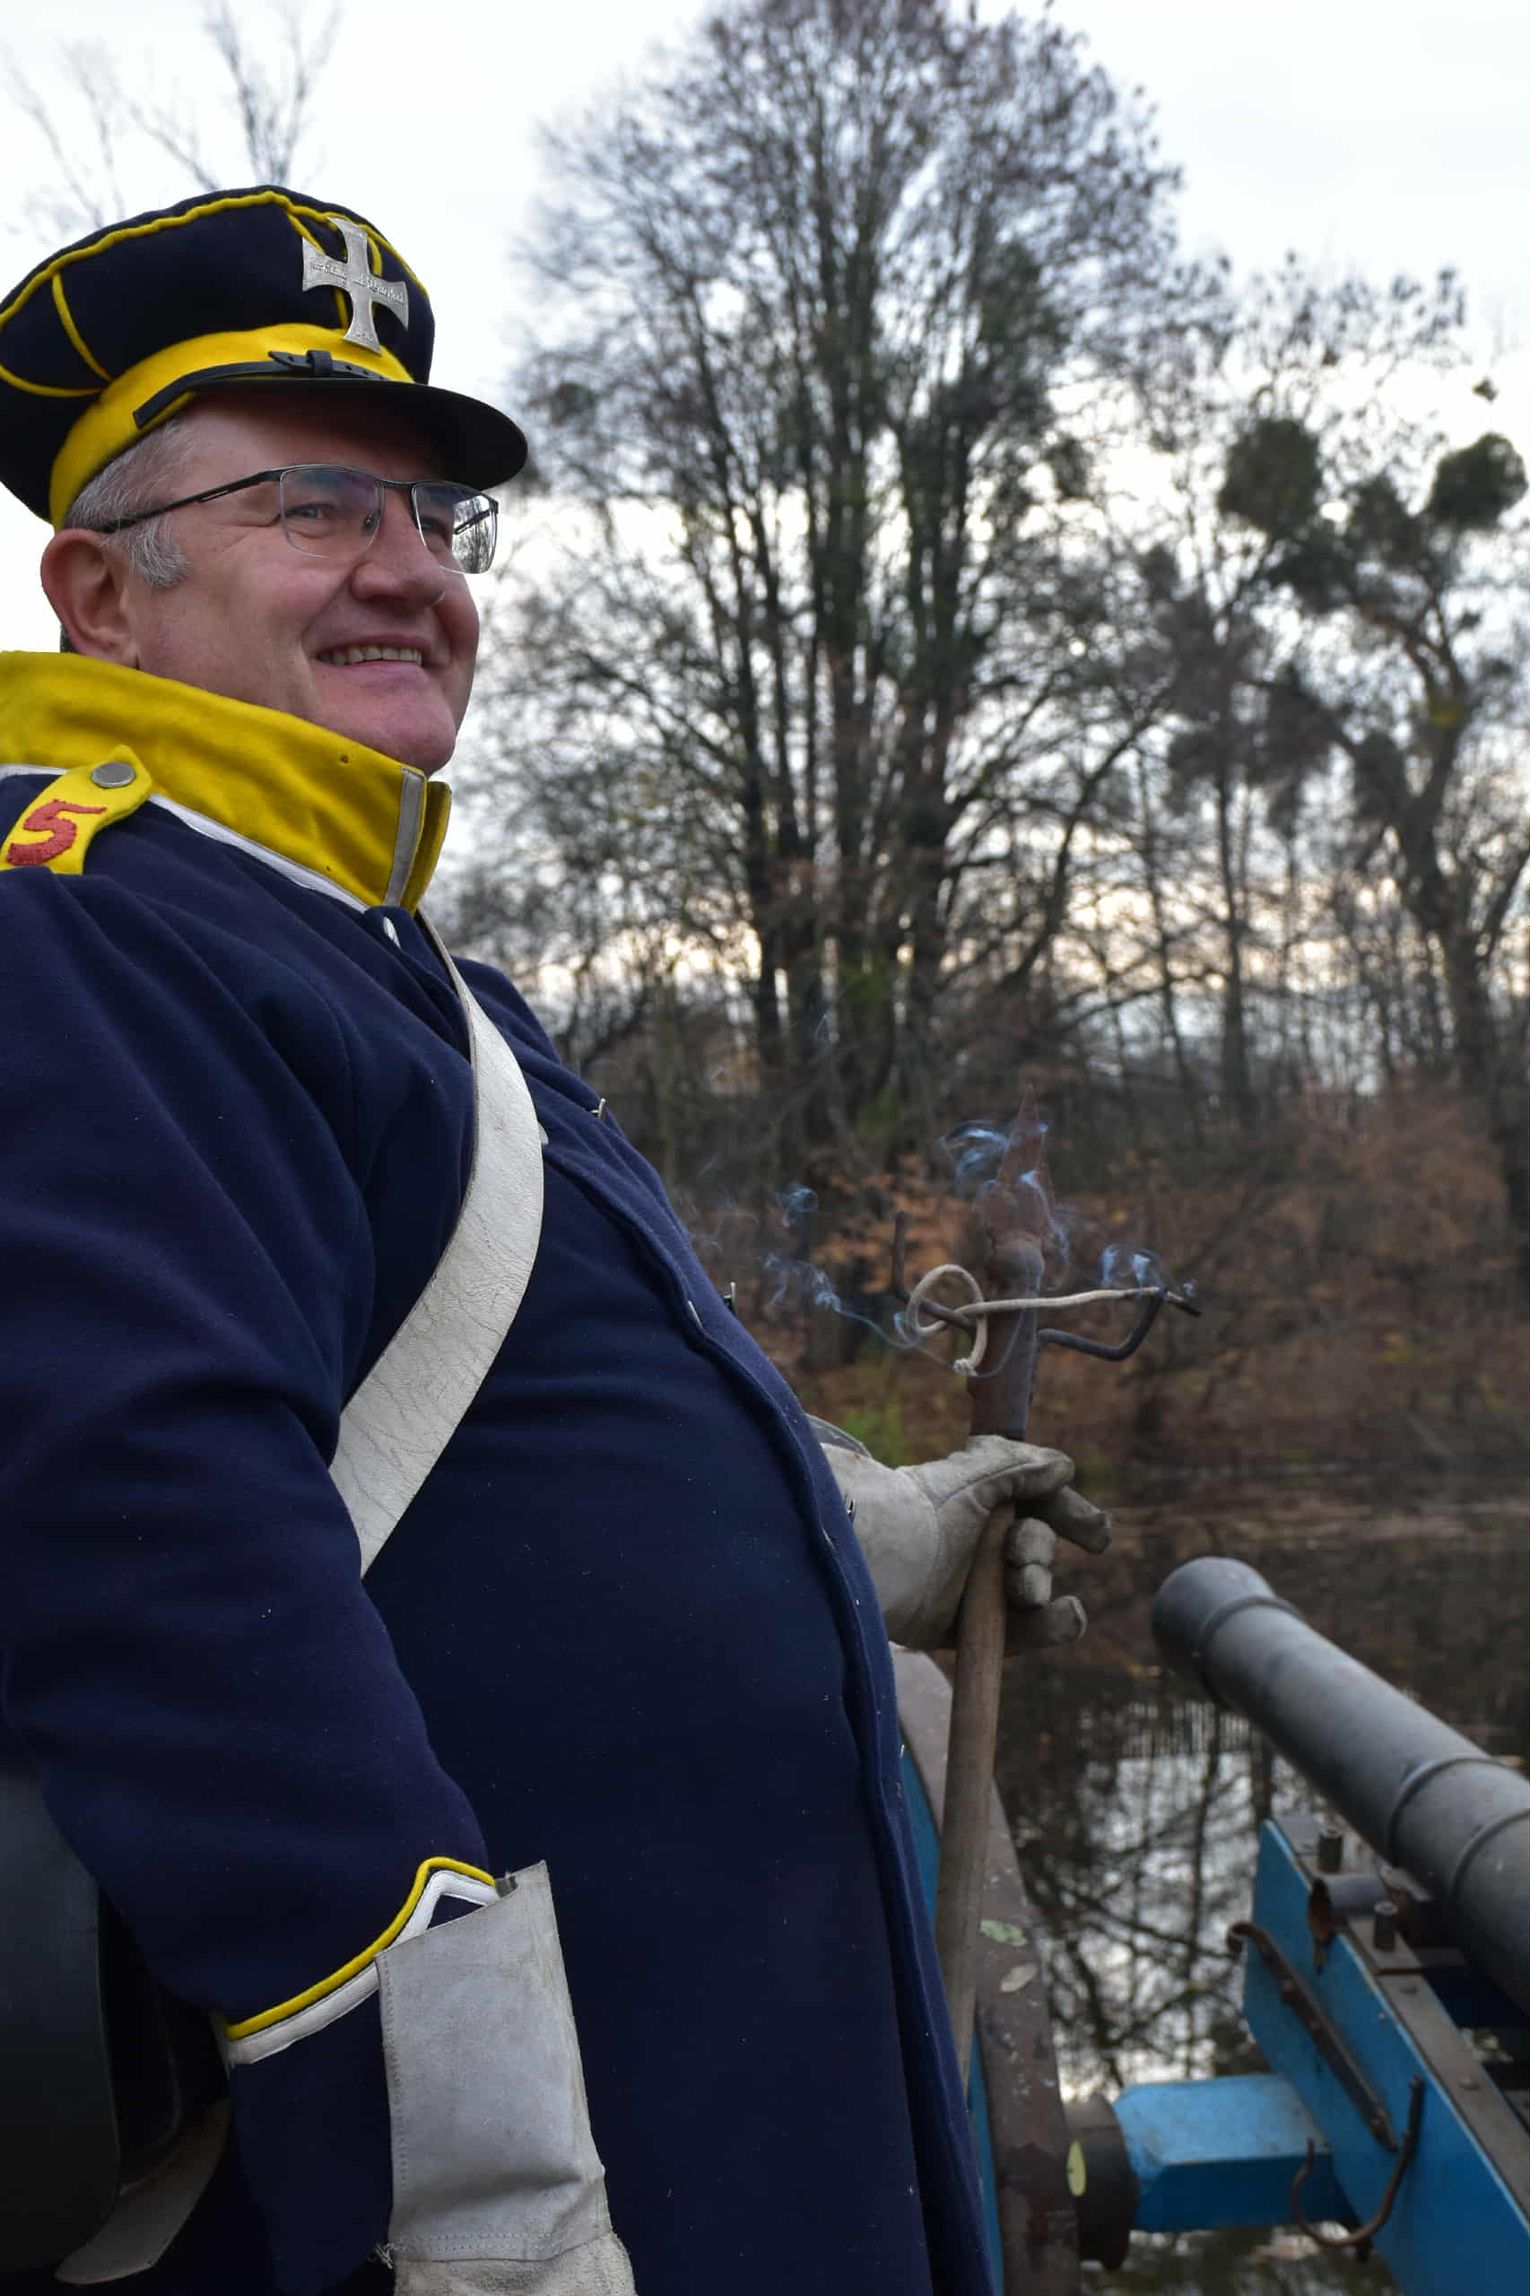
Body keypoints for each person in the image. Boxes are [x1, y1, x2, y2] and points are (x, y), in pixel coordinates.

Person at [0, 188, 1108, 2296]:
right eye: (313, 505)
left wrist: (860, 1532)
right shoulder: (85, 935)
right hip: (520, 2204)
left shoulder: (411, 977)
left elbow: (507, 1460)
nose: (410, 571)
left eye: (434, 520)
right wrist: (481, 2211)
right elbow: (161, 1575)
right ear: (102, 594)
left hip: (725, 2127)